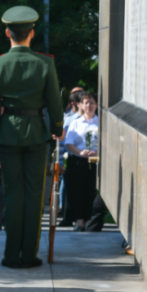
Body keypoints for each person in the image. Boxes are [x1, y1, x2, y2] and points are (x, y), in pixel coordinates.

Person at [0, 6, 64, 268]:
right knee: (34, 196)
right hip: (36, 134)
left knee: (12, 195)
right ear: (31, 33)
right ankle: (28, 255)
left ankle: (11, 255)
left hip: (7, 134)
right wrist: (57, 128)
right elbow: (54, 100)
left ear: (8, 32)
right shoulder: (45, 62)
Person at [63, 91, 99, 231]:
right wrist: (80, 152)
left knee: (91, 192)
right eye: (86, 103)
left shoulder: (101, 123)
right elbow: (69, 143)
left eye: (92, 102)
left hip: (95, 161)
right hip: (78, 162)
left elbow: (108, 143)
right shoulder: (75, 123)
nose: (89, 105)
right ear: (81, 105)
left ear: (96, 105)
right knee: (77, 192)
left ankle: (91, 221)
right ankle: (79, 223)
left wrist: (98, 152)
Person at [58, 88, 84, 224]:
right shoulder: (69, 120)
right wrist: (61, 162)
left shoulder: (93, 119)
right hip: (71, 159)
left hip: (86, 160)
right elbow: (62, 144)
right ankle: (67, 216)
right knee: (68, 187)